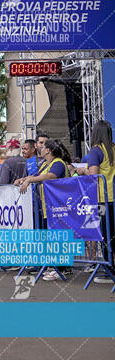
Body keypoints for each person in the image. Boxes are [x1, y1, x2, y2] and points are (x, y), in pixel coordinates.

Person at [15, 139, 71, 281]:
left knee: (58, 239)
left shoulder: (57, 163)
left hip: (59, 207)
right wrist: (23, 179)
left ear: (48, 150)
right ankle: (54, 267)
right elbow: (36, 176)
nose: (40, 148)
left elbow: (51, 176)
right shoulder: (46, 164)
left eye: (42, 146)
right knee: (51, 238)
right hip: (49, 207)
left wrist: (29, 181)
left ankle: (61, 269)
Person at [74, 120, 115, 284]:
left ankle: (109, 270)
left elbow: (93, 175)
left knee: (105, 235)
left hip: (103, 199)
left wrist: (81, 170)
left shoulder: (96, 151)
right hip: (112, 197)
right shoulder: (113, 148)